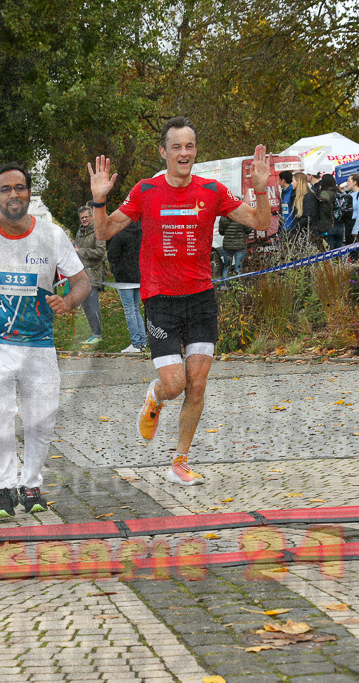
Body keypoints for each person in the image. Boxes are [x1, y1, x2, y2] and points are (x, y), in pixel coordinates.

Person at [87, 116, 270, 486]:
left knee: (198, 385)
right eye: (176, 147)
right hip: (161, 301)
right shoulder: (146, 191)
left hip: (201, 298)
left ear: (195, 150)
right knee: (175, 385)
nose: (183, 153)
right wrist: (99, 199)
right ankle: (155, 396)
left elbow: (260, 222)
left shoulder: (212, 190)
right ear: (164, 151)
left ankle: (179, 462)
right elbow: (104, 231)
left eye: (189, 146)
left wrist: (261, 190)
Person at [0, 162, 90, 518]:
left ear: (29, 192)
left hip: (39, 341)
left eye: (20, 187)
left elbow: (82, 281)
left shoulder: (52, 236)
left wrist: (69, 300)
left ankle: (31, 486)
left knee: (40, 419)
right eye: (5, 189)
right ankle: (3, 489)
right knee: (0, 410)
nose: (14, 194)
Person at [106, 220, 147, 353]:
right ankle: (142, 342)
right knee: (135, 308)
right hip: (138, 274)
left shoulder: (120, 234)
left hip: (124, 277)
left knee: (129, 309)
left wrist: (115, 268)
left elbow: (112, 255)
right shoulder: (141, 232)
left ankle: (136, 343)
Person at [73, 204, 106, 346]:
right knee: (86, 306)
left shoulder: (98, 231)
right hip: (81, 276)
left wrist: (80, 251)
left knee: (93, 305)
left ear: (91, 217)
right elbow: (75, 249)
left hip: (93, 274)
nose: (84, 220)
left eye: (86, 217)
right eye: (82, 218)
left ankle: (98, 334)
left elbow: (100, 253)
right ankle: (93, 333)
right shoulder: (79, 232)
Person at [217, 212, 252, 279]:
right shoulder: (243, 216)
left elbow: (221, 232)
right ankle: (237, 288)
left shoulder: (223, 217)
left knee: (226, 267)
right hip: (240, 246)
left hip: (227, 246)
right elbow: (248, 230)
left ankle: (224, 286)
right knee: (238, 268)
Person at [291, 172, 321, 244]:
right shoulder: (296, 196)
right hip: (301, 233)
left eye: (293, 181)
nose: (291, 183)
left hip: (308, 234)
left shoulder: (308, 196)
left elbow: (308, 217)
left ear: (299, 181)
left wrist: (295, 228)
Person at [316, 174, 343, 250]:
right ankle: (340, 262)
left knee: (329, 253)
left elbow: (323, 210)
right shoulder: (338, 192)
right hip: (340, 225)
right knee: (339, 252)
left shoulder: (324, 193)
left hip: (329, 226)